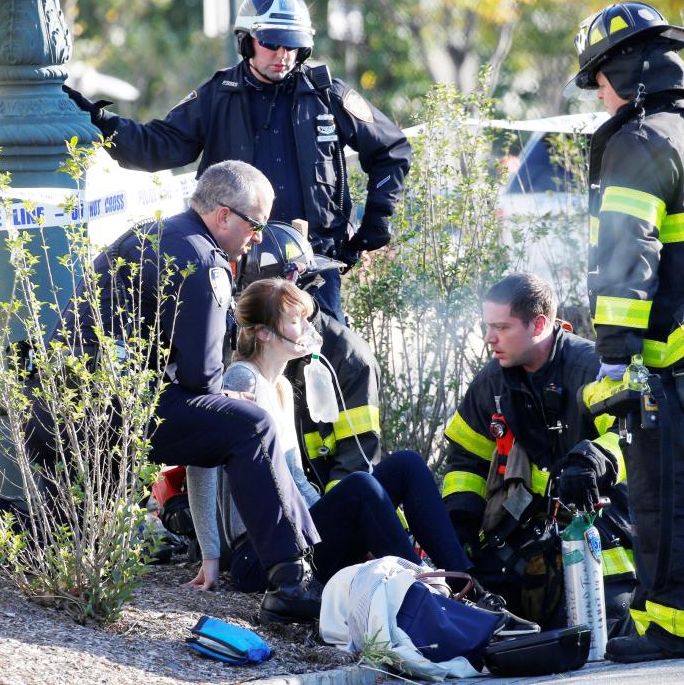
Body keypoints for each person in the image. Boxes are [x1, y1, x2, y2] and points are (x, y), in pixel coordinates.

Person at [29, 161, 324, 625]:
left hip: (60, 410)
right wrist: (227, 399)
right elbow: (202, 377)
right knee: (251, 426)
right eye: (257, 223)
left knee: (44, 529)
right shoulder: (204, 261)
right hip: (104, 412)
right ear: (224, 216)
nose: (260, 237)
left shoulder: (150, 234)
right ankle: (293, 580)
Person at [185, 278, 536, 635]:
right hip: (260, 560)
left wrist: (340, 521)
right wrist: (210, 556)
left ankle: (472, 591)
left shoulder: (281, 388)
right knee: (360, 486)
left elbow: (295, 481)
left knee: (407, 465)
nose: (308, 327)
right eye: (296, 320)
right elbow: (200, 464)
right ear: (263, 333)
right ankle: (427, 599)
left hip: (295, 543)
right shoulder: (242, 377)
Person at [572, 2, 684, 662]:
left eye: (598, 76)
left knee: (675, 504)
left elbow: (629, 258)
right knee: (671, 497)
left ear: (624, 70)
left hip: (673, 361)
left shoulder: (641, 141)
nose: (598, 92)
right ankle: (663, 622)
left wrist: (615, 360)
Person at [65, 0, 412, 324]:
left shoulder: (327, 94)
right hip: (235, 266)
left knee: (333, 363)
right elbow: (157, 147)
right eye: (271, 43)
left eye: (292, 45)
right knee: (229, 366)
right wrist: (100, 122)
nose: (282, 54)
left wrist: (374, 225)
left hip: (312, 267)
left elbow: (392, 149)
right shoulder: (217, 95)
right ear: (247, 41)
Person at [441, 273, 636, 634]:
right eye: (488, 326)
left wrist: (592, 461)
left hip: (603, 517)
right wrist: (460, 529)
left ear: (539, 324)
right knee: (483, 600)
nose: (489, 338)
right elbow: (466, 460)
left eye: (502, 327)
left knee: (596, 628)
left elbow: (630, 436)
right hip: (534, 524)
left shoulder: (590, 368)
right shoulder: (492, 383)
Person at [236, 221, 381, 491]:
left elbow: (357, 464)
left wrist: (327, 524)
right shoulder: (253, 363)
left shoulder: (347, 358)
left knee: (404, 467)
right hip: (294, 510)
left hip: (337, 506)